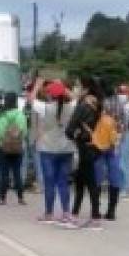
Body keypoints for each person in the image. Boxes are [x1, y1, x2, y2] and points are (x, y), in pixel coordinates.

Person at [30, 79, 76, 226]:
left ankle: (49, 213)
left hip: (47, 148)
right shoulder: (72, 107)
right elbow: (76, 98)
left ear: (50, 95)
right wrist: (62, 86)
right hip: (66, 148)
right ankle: (66, 213)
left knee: (49, 182)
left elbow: (31, 100)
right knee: (63, 182)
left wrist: (37, 85)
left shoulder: (45, 107)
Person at [66, 76, 105, 229]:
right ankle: (75, 215)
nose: (76, 89)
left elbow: (70, 129)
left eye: (78, 86)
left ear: (86, 88)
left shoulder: (82, 105)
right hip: (95, 146)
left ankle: (95, 217)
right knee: (81, 180)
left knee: (89, 182)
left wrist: (74, 135)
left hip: (84, 145)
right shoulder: (98, 103)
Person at [0, 91, 28, 206]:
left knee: (3, 174)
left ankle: (2, 198)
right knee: (17, 172)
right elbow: (24, 132)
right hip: (17, 147)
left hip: (1, 147)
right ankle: (21, 198)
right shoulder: (20, 115)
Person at [92, 92, 123, 220]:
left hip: (99, 147)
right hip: (113, 147)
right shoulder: (120, 103)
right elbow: (123, 127)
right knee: (114, 177)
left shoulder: (96, 105)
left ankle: (96, 210)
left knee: (97, 178)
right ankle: (111, 211)